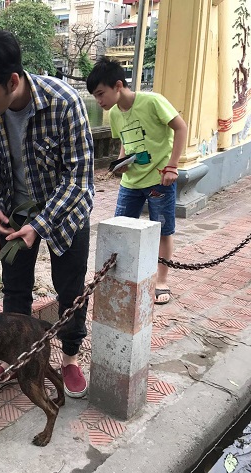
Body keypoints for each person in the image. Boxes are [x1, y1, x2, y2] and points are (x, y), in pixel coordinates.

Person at [0, 27, 94, 398]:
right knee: (15, 289)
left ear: (13, 81)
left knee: (70, 289)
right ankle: (12, 359)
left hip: (65, 213)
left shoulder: (64, 102)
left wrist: (41, 223)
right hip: (15, 211)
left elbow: (79, 176)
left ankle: (69, 358)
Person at [86, 57, 187, 306]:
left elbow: (181, 127)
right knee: (122, 228)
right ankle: (123, 276)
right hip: (131, 183)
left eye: (101, 94)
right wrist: (120, 164)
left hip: (159, 180)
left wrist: (172, 166)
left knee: (163, 229)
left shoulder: (152, 101)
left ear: (118, 85)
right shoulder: (116, 116)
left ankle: (161, 281)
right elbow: (125, 144)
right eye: (95, 96)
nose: (99, 101)